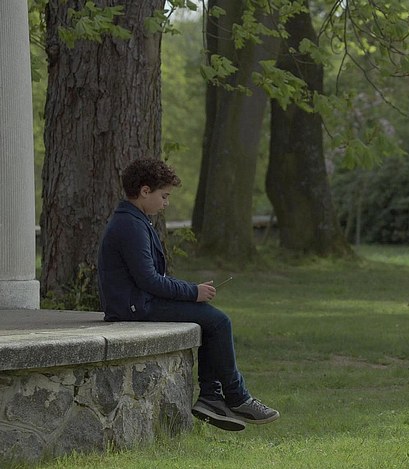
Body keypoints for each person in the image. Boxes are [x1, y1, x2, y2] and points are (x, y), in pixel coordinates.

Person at [97, 157, 279, 432]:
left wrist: (191, 291)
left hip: (138, 302)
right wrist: (193, 292)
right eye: (164, 196)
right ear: (145, 191)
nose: (166, 203)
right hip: (134, 307)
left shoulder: (135, 220)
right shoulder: (130, 225)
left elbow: (152, 279)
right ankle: (235, 397)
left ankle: (212, 397)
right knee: (218, 321)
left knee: (212, 320)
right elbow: (149, 280)